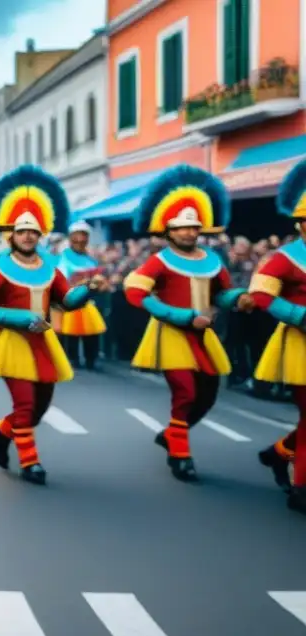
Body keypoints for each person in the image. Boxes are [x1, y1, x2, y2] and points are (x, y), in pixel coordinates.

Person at [0, 165, 108, 485]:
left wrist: (89, 289)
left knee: (39, 408)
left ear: (40, 234)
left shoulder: (50, 268)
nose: (28, 236)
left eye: (33, 231)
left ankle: (0, 432)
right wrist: (18, 318)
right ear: (12, 235)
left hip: (43, 344)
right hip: (13, 344)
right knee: (25, 404)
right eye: (22, 232)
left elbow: (66, 301)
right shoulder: (0, 269)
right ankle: (30, 462)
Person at [123, 166, 252, 481]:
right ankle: (180, 456)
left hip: (203, 336)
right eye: (182, 228)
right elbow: (135, 291)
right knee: (185, 392)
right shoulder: (159, 261)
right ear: (169, 231)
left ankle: (171, 435)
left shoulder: (212, 260)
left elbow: (221, 293)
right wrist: (180, 316)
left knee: (208, 395)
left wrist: (238, 299)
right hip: (171, 335)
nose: (189, 233)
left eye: (193, 228)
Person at [250, 157, 306, 510]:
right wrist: (299, 315)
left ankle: (280, 453)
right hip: (301, 345)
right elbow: (260, 294)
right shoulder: (285, 257)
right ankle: (301, 487)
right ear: (301, 224)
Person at [56, 220, 107, 370]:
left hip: (88, 301)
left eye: (83, 236)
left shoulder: (91, 260)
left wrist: (99, 283)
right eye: (77, 236)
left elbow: (98, 278)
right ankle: (72, 358)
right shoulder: (62, 257)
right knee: (69, 332)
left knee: (92, 331)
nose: (80, 239)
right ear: (70, 238)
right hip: (69, 300)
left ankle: (91, 359)